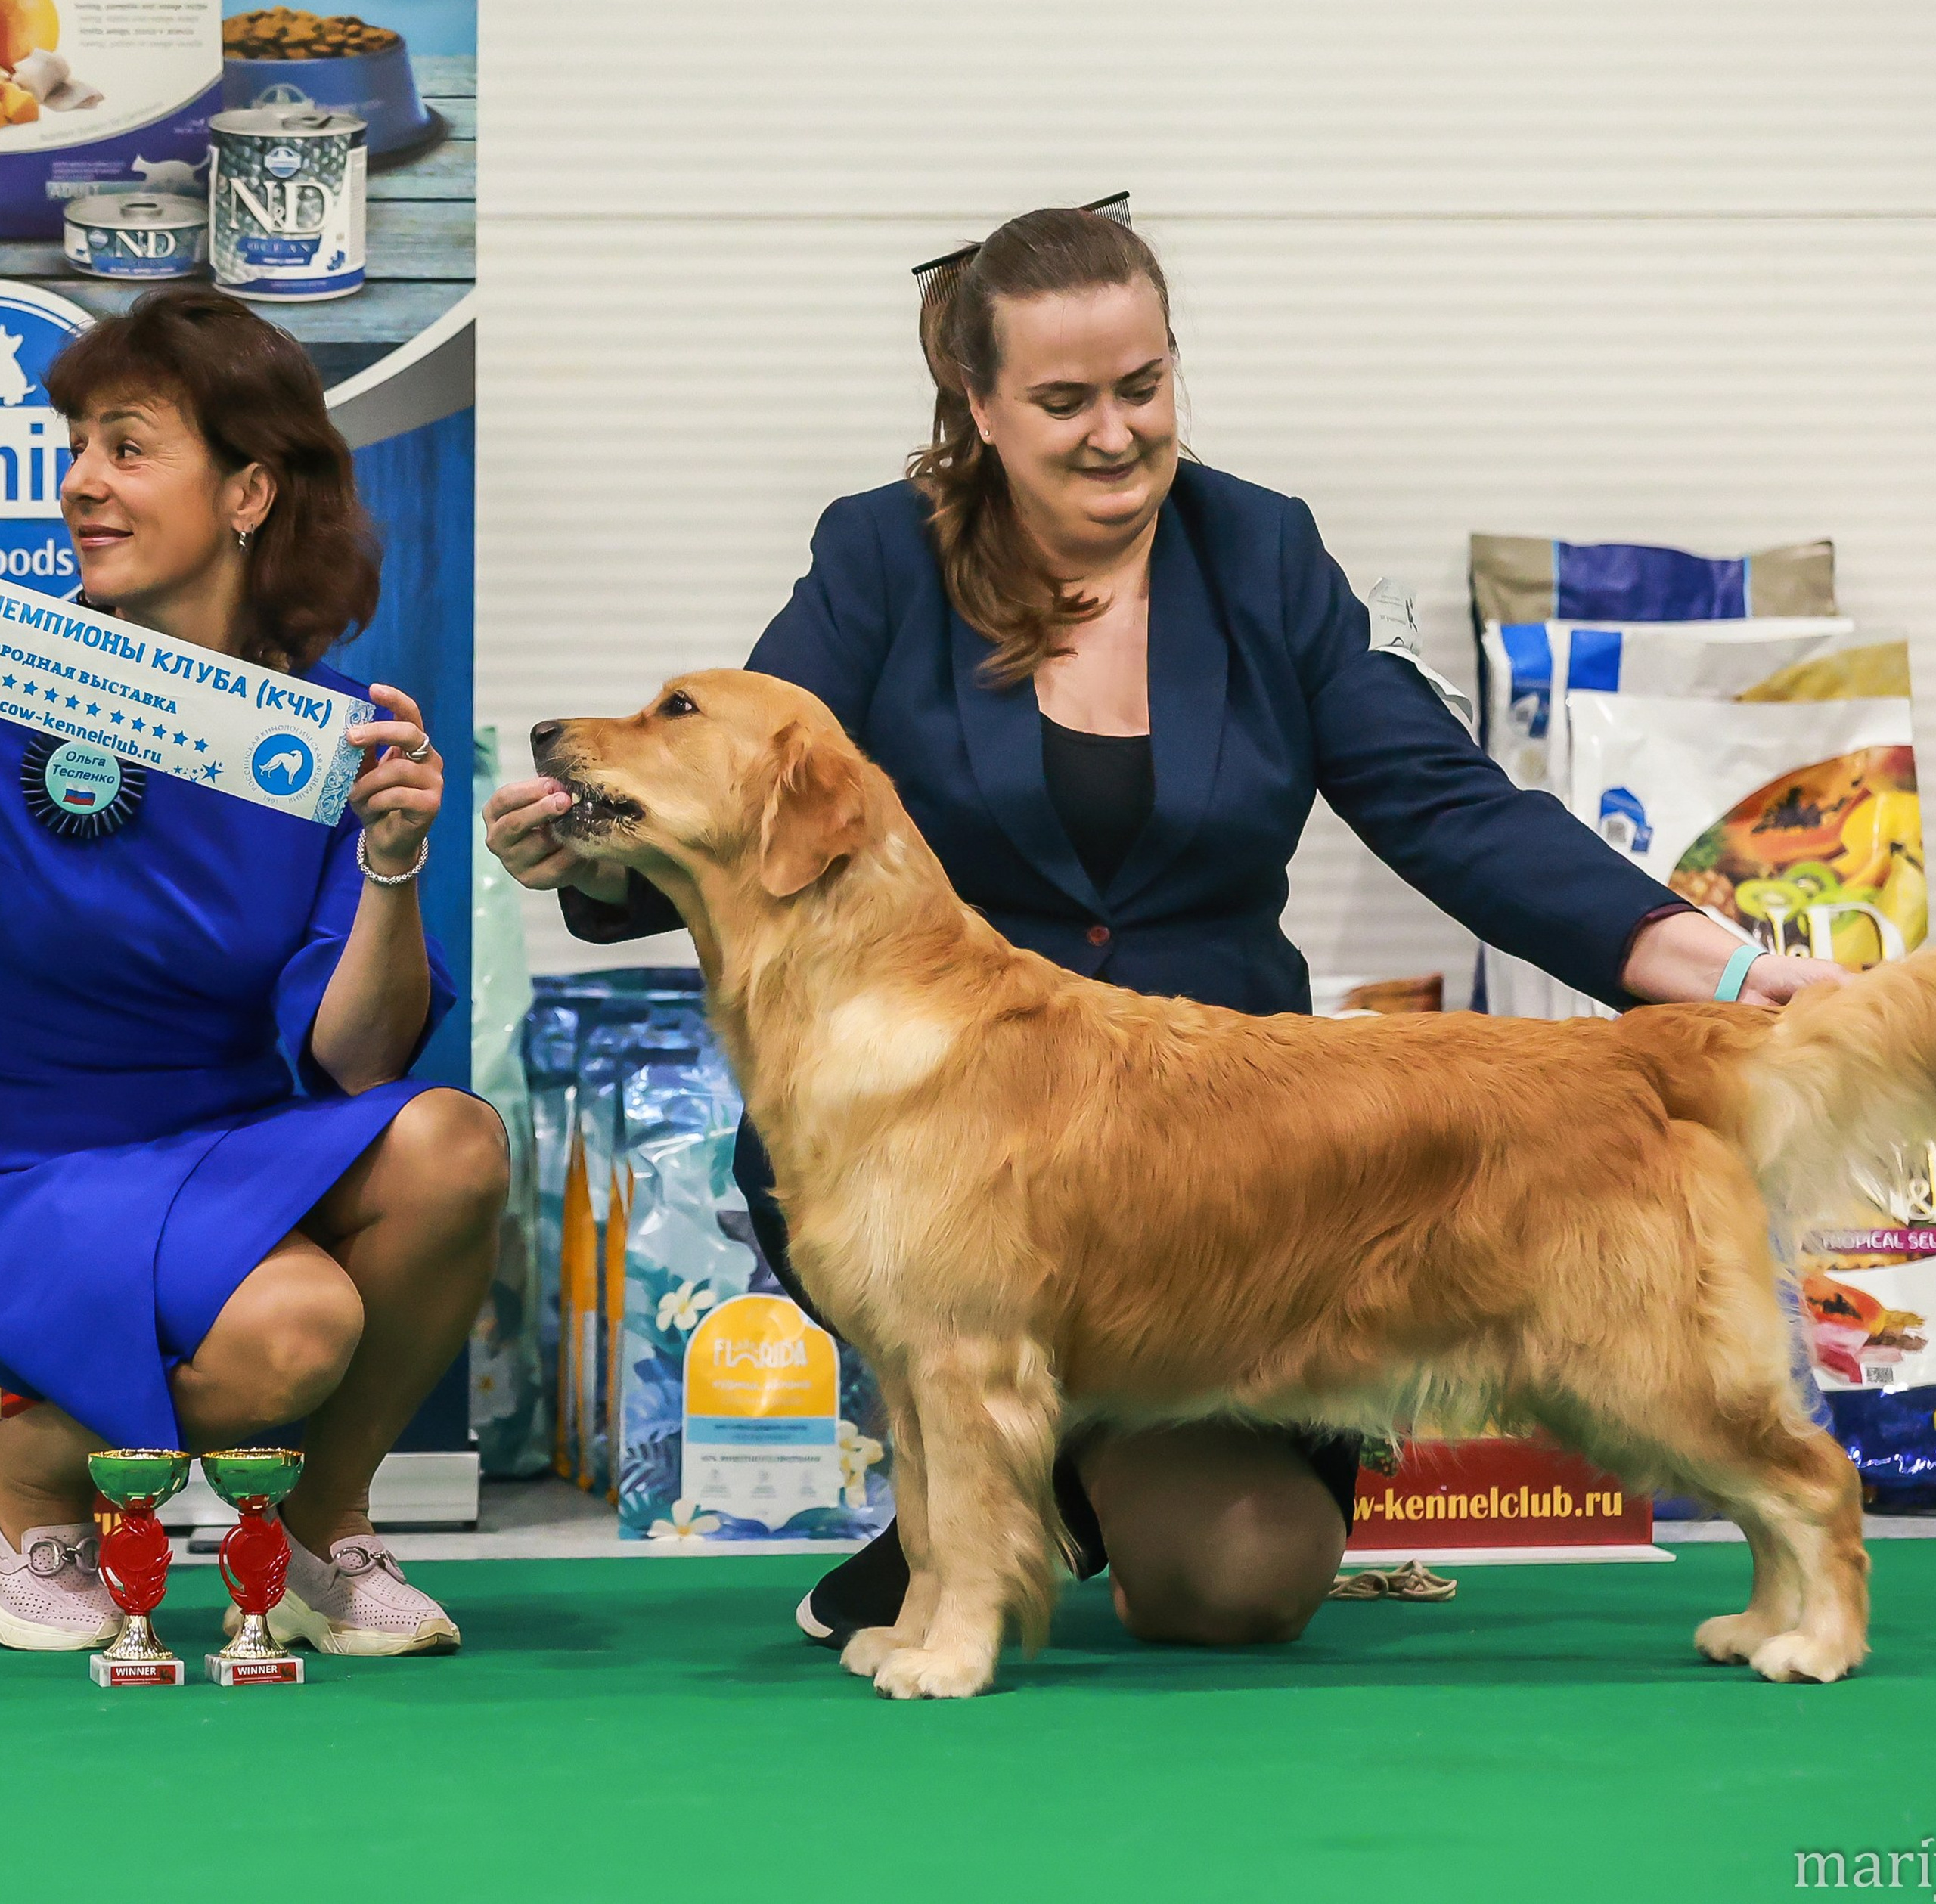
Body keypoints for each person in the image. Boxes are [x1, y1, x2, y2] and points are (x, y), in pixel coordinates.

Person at [486, 204, 1838, 1653]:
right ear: (981, 410)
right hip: (949, 1130)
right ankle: (983, 1500)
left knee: (1233, 1587)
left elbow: (1449, 809)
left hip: (1238, 1189)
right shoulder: (883, 558)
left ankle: (1033, 1496)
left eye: (1145, 387)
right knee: (968, 1339)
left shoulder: (1262, 552)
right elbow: (749, 784)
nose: (1117, 433)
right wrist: (587, 851)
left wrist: (1746, 972)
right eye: (1065, 401)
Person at [0, 287, 507, 1659]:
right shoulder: (9, 679)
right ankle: (30, 1484)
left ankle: (325, 1539)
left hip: (213, 1144)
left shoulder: (328, 732)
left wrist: (393, 855)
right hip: (28, 1159)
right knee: (294, 1327)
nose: (83, 486)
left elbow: (355, 1063)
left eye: (127, 446)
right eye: (77, 449)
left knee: (455, 1142)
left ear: (249, 492)